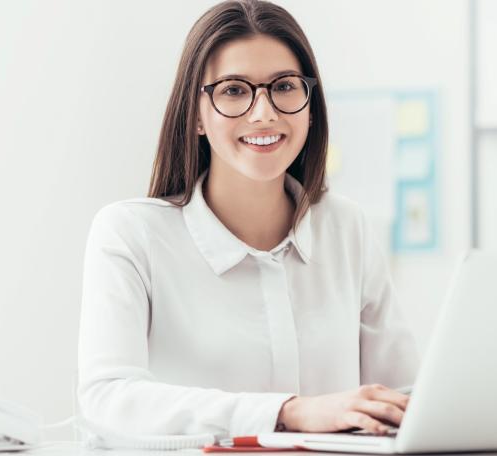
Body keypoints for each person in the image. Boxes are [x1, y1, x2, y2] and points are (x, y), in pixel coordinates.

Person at [77, 0, 419, 440]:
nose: (264, 113)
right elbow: (109, 398)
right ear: (197, 115)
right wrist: (289, 413)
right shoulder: (130, 234)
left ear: (310, 107)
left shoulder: (346, 226)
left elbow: (401, 395)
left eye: (285, 86)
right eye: (234, 90)